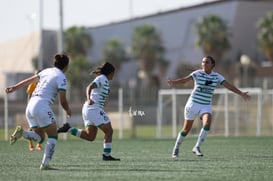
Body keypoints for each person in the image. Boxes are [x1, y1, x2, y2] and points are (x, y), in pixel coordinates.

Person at [167, 56, 250, 158]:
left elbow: (228, 85)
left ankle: (197, 147)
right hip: (193, 104)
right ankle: (176, 148)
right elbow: (185, 80)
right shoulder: (197, 73)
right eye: (203, 62)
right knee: (186, 130)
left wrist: (241, 93)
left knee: (207, 122)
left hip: (205, 104)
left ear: (212, 65)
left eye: (207, 62)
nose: (204, 64)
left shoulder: (217, 76)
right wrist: (173, 82)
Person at [6, 53, 72, 170]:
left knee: (40, 137)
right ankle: (45, 164)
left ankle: (23, 133)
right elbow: (63, 101)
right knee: (53, 136)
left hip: (30, 105)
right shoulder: (61, 77)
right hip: (41, 106)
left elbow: (29, 80)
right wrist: (68, 110)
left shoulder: (46, 71)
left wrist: (14, 87)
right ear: (66, 66)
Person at [57, 62, 120, 161]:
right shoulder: (102, 78)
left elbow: (99, 94)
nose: (114, 75)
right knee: (109, 130)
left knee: (90, 136)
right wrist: (89, 98)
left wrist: (103, 101)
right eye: (113, 73)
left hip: (89, 109)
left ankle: (68, 129)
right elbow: (89, 87)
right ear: (110, 72)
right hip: (93, 108)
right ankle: (106, 155)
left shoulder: (104, 80)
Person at [26, 70, 44, 151]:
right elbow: (29, 96)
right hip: (33, 108)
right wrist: (29, 106)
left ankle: (39, 145)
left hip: (41, 107)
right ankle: (30, 145)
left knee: (42, 126)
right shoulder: (32, 84)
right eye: (35, 75)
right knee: (32, 127)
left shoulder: (43, 84)